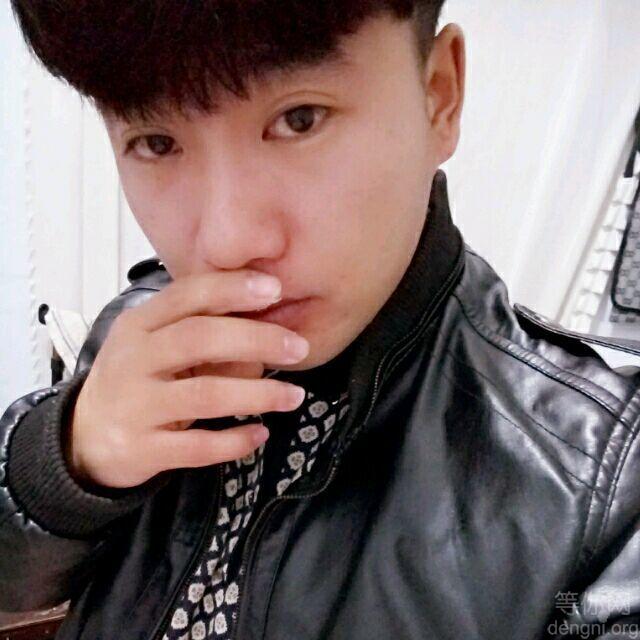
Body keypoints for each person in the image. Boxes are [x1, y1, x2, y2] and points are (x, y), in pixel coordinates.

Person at [2, 2, 640, 639]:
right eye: (156, 142)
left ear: (439, 97)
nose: (227, 241)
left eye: (299, 119)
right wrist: (63, 462)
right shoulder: (143, 326)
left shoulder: (605, 483)